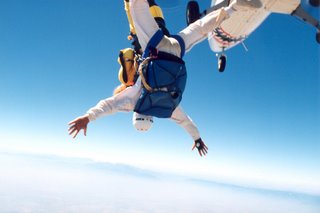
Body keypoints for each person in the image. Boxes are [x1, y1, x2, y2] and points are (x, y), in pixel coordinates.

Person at [68, 0, 262, 156]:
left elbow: (187, 123)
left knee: (202, 29)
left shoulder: (169, 109)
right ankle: (234, 7)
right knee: (137, 6)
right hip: (155, 47)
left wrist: (197, 140)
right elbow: (108, 105)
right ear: (137, 115)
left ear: (151, 118)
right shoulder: (133, 101)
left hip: (177, 52)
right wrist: (88, 117)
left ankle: (235, 7)